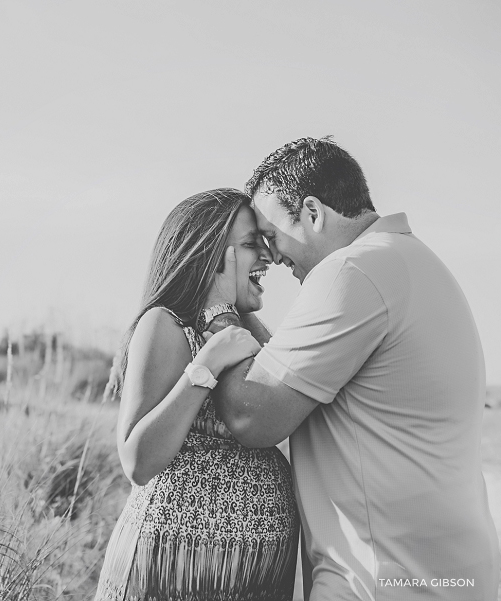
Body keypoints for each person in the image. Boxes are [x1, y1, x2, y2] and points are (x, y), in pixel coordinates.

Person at [209, 137, 501, 600]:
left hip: (385, 581)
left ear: (312, 212)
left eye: (271, 235)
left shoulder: (353, 271)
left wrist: (220, 306)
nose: (271, 255)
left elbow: (252, 414)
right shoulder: (410, 261)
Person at [95, 188, 300, 601]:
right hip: (176, 572)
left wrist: (227, 313)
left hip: (254, 578)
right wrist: (203, 371)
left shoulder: (241, 330)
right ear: (208, 255)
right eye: (249, 246)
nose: (268, 258)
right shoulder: (166, 325)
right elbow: (137, 460)